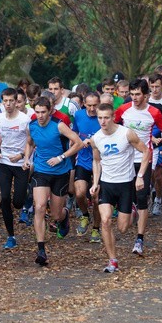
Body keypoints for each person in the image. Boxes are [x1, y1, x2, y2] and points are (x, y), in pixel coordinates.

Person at [23, 96, 84, 266]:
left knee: (55, 215)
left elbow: (78, 143)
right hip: (41, 171)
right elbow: (29, 143)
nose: (40, 115)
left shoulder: (59, 125)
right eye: (37, 112)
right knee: (40, 206)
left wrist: (61, 157)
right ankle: (41, 249)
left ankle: (63, 217)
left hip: (60, 172)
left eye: (43, 112)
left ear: (50, 111)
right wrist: (26, 158)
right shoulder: (32, 125)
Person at [90, 103, 151, 273]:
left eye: (106, 117)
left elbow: (146, 151)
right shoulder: (96, 138)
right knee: (105, 220)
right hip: (107, 184)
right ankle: (113, 260)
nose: (103, 121)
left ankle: (131, 209)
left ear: (113, 117)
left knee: (123, 228)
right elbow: (96, 161)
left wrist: (140, 176)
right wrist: (95, 183)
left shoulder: (126, 133)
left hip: (125, 183)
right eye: (100, 118)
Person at [114, 79, 162, 255]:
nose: (135, 97)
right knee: (126, 195)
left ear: (146, 95)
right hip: (125, 159)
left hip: (145, 158)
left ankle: (139, 239)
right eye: (132, 94)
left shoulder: (154, 112)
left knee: (142, 196)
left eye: (138, 94)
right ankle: (132, 208)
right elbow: (113, 126)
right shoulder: (123, 110)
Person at [0, 88, 31, 250]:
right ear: (2, 101)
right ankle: (11, 236)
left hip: (21, 164)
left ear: (16, 102)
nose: (8, 104)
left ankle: (26, 204)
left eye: (11, 101)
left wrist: (23, 156)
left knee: (18, 202)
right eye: (5, 101)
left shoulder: (24, 119)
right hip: (5, 164)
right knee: (5, 199)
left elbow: (31, 141)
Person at [72, 92, 102, 243]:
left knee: (96, 199)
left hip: (101, 163)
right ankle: (85, 215)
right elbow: (75, 132)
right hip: (83, 160)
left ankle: (96, 229)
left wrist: (93, 141)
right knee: (79, 193)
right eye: (89, 105)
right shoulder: (78, 115)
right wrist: (76, 141)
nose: (91, 109)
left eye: (94, 105)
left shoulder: (104, 117)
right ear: (84, 103)